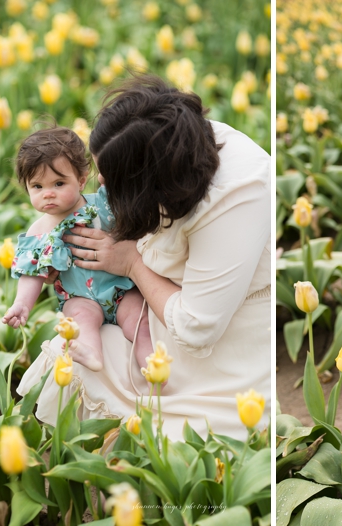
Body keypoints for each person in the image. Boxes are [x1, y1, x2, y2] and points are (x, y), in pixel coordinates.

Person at [15, 75, 272, 439]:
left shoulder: (238, 193)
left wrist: (131, 262)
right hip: (148, 320)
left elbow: (198, 327)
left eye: (112, 175)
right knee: (69, 353)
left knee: (175, 443)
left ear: (147, 178)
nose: (100, 181)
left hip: (223, 357)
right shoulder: (167, 141)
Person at [2, 127, 152, 372]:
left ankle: (152, 368)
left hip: (120, 288)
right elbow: (32, 273)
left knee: (139, 321)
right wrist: (22, 304)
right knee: (79, 320)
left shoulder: (103, 206)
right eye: (37, 186)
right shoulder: (38, 233)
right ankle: (91, 354)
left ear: (81, 180)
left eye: (59, 183)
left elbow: (132, 230)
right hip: (79, 297)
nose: (48, 193)